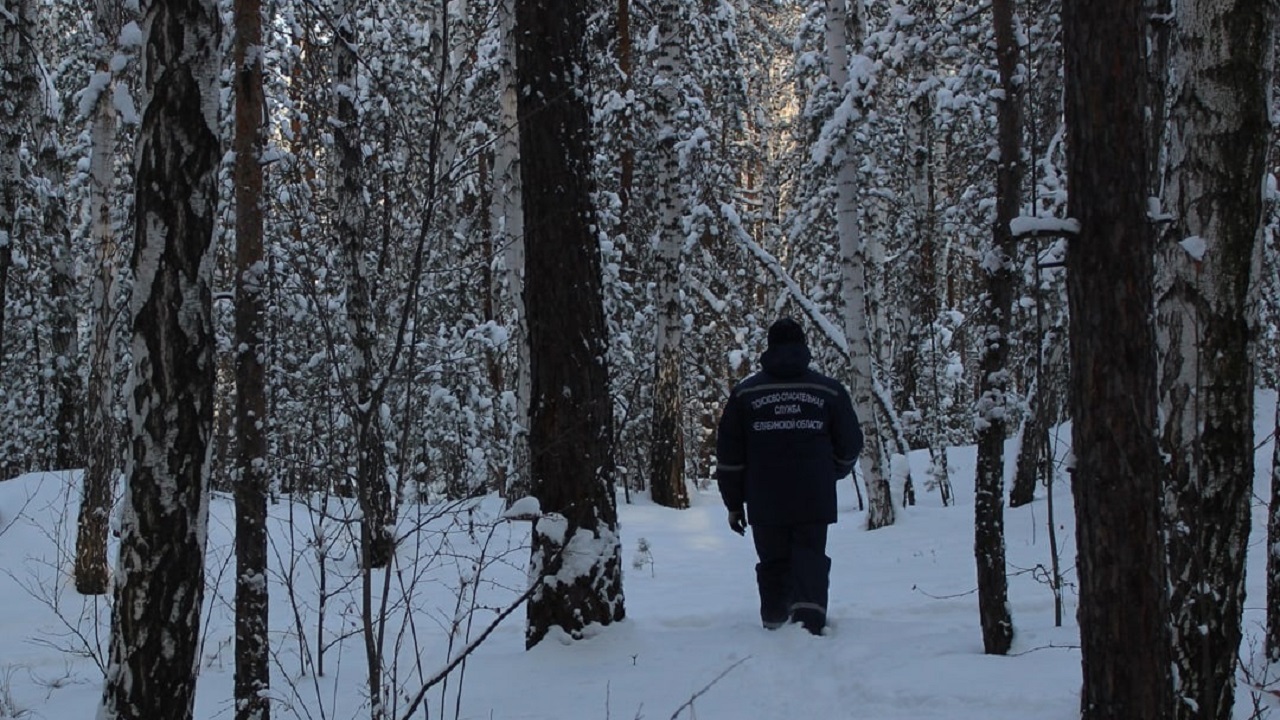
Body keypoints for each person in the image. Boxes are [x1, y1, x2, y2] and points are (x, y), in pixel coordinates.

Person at [715, 317, 863, 635]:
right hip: (814, 496)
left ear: (769, 348)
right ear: (804, 346)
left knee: (773, 560)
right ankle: (808, 626)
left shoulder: (746, 394)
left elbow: (730, 456)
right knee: (809, 557)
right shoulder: (828, 390)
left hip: (764, 497)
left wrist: (733, 503)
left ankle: (775, 623)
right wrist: (832, 471)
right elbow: (850, 444)